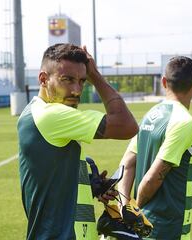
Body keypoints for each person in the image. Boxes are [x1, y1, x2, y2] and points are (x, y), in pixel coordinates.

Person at [17, 43, 138, 240]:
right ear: (43, 79)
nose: (76, 90)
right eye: (67, 80)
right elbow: (127, 125)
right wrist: (95, 76)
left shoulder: (36, 112)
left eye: (83, 81)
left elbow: (49, 181)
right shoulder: (51, 115)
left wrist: (91, 185)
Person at [118, 56, 192, 239]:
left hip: (145, 228)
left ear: (164, 82)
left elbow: (127, 163)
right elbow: (152, 179)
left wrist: (125, 206)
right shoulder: (184, 122)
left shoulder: (151, 114)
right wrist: (134, 214)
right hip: (166, 227)